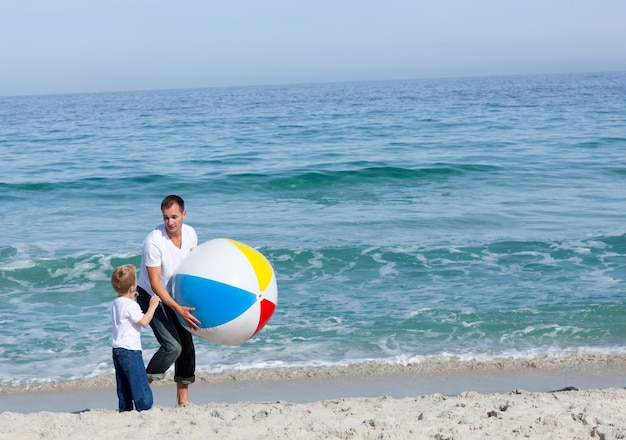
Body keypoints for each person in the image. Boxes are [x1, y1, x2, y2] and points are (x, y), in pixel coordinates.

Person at [136, 194, 200, 407]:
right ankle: (141, 386)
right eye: (166, 218)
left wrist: (188, 303)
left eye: (174, 217)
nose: (170, 222)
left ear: (184, 214)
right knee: (173, 347)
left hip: (176, 292)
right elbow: (155, 283)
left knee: (187, 345)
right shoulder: (153, 242)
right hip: (152, 296)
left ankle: (182, 401)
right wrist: (177, 309)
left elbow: (192, 268)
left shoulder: (190, 234)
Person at [110, 264, 160, 412]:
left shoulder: (116, 303)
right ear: (133, 287)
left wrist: (130, 298)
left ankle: (125, 408)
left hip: (117, 349)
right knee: (139, 380)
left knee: (123, 381)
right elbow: (144, 322)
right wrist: (152, 306)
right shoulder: (132, 306)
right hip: (130, 350)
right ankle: (144, 406)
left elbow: (125, 311)